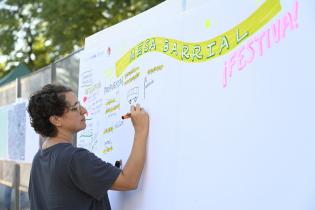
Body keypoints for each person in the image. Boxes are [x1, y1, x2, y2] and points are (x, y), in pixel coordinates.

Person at [27, 84, 149, 210]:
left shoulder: (39, 157)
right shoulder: (73, 158)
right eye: (75, 108)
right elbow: (129, 181)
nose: (84, 111)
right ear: (56, 120)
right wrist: (141, 129)